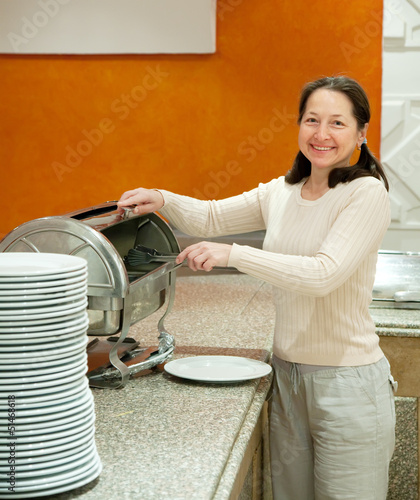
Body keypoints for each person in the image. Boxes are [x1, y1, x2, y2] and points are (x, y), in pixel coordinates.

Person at [118, 76, 396, 499]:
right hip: (286, 376)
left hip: (348, 385)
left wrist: (235, 256)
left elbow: (323, 274)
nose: (321, 134)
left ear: (361, 133)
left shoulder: (366, 193)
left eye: (337, 123)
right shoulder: (282, 192)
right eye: (311, 120)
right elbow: (211, 217)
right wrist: (163, 198)